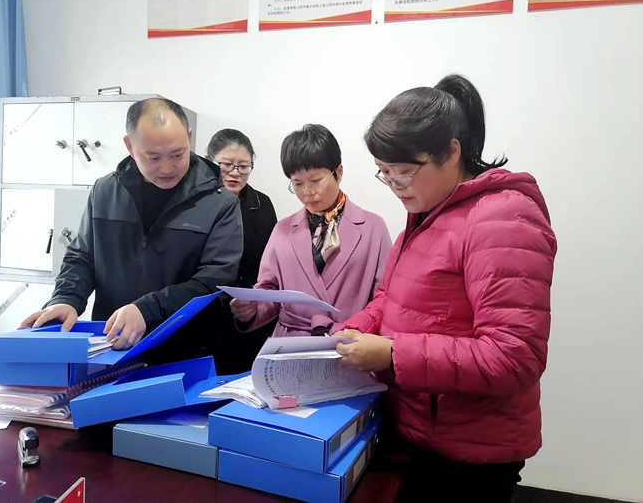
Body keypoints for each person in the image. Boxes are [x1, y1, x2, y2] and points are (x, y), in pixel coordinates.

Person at [333, 75, 558, 502]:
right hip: (415, 430)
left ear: (452, 152)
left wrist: (392, 353)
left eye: (404, 172)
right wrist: (357, 327)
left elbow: (515, 356)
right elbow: (392, 298)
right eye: (385, 173)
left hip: (470, 453)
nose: (395, 186)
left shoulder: (502, 217)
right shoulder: (427, 213)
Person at [20, 98, 243, 360]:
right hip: (110, 346)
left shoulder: (219, 203)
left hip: (185, 351)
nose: (167, 168)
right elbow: (82, 258)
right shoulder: (105, 192)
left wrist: (148, 310)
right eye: (153, 157)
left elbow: (212, 282)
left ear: (189, 138)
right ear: (129, 146)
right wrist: (65, 299)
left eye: (177, 154)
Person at [231, 124, 392, 337]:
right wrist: (251, 309)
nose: (307, 192)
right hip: (291, 344)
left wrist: (357, 329)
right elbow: (268, 292)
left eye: (316, 181)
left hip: (348, 340)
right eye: (297, 184)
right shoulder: (282, 230)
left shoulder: (373, 227)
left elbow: (385, 295)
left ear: (339, 173)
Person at [205, 129, 278, 374]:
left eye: (244, 166)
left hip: (246, 318)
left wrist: (257, 305)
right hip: (203, 317)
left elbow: (271, 266)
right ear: (208, 160)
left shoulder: (261, 204)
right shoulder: (196, 202)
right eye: (226, 165)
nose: (235, 173)